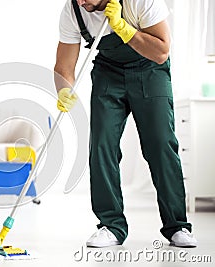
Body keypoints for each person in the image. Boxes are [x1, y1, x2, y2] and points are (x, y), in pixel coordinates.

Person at [55, 0, 197, 247]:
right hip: (108, 73)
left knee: (161, 145)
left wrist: (124, 28)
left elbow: (161, 51)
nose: (81, 1)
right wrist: (63, 91)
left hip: (150, 70)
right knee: (101, 146)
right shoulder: (73, 10)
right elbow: (64, 67)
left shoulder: (140, 1)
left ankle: (178, 226)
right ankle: (111, 226)